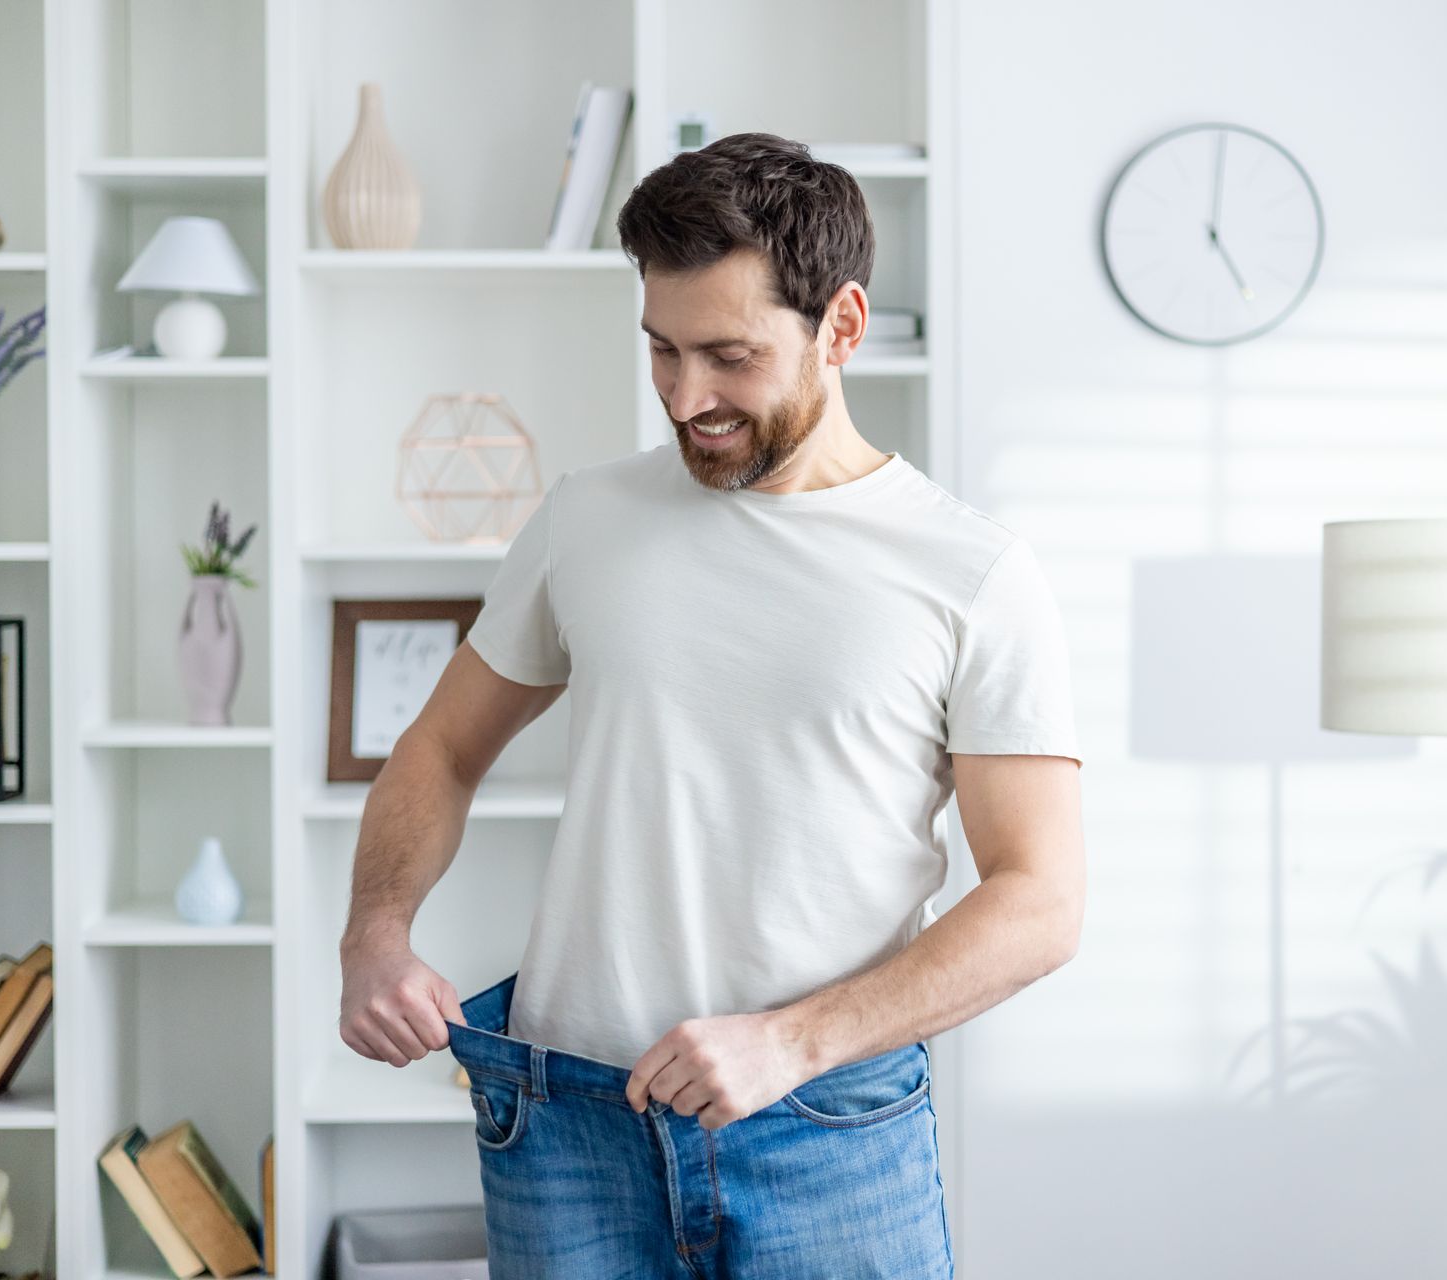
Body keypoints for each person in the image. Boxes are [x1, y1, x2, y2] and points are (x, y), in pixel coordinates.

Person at [338, 131, 1085, 1278]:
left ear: (841, 325)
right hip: (566, 1121)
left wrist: (793, 1041)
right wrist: (376, 935)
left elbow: (1040, 900)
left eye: (729, 356)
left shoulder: (973, 573)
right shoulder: (586, 518)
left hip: (828, 1129)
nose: (688, 398)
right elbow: (440, 747)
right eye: (662, 351)